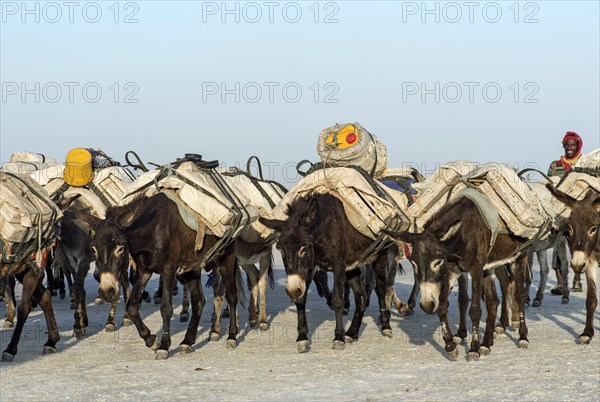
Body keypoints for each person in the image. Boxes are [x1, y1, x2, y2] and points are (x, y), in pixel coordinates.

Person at [547, 131, 583, 294]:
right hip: (560, 215)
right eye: (566, 145)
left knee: (578, 249)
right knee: (557, 250)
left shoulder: (585, 164)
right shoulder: (556, 166)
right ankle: (562, 284)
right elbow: (549, 187)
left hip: (581, 217)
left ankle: (577, 280)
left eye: (572, 145)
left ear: (578, 146)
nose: (569, 148)